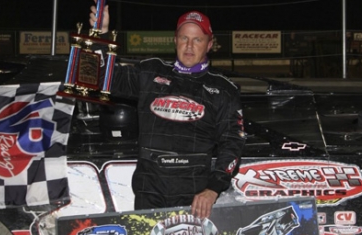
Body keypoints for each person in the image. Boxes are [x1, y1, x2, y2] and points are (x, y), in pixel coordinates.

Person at [89, 3, 246, 219]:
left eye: (197, 39)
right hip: (149, 189)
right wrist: (101, 35)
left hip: (195, 195)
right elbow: (102, 78)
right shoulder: (151, 72)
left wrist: (212, 189)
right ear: (175, 41)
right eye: (184, 38)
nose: (189, 46)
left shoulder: (223, 90)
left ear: (209, 44)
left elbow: (233, 142)